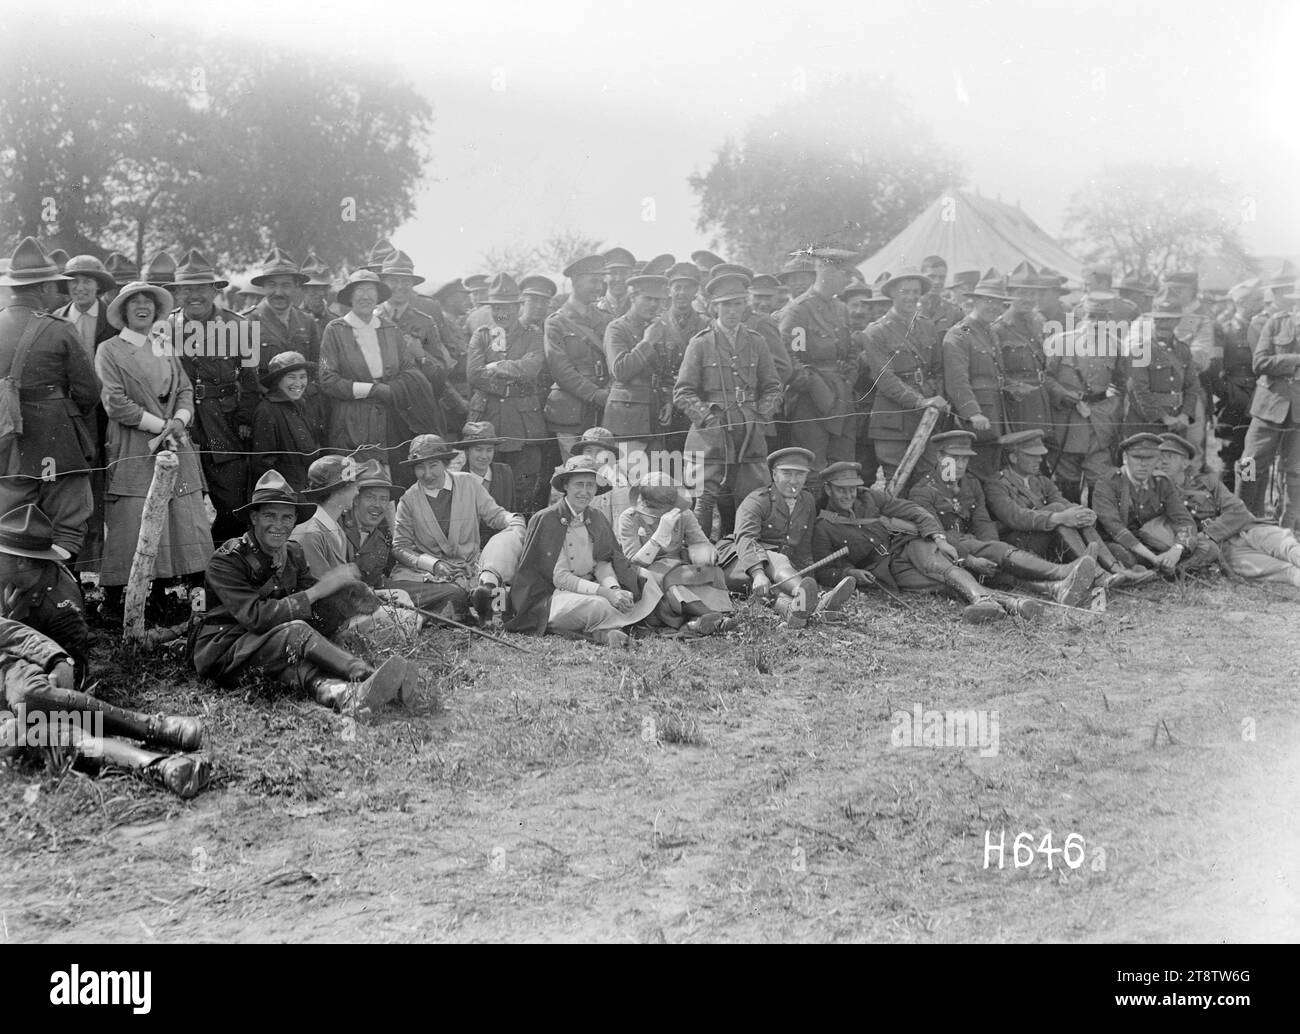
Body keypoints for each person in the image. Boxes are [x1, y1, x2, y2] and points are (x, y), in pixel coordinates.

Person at [192, 471, 412, 715]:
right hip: (227, 653)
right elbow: (256, 618)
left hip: (271, 650)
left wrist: (353, 592)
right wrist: (319, 590)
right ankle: (366, 674)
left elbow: (316, 603)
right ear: (254, 518)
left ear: (295, 519)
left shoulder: (292, 553)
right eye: (269, 516)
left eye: (287, 517)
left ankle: (348, 695)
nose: (279, 525)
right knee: (297, 631)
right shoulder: (227, 560)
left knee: (303, 667)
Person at [95, 281, 211, 622]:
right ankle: (117, 600)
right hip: (134, 444)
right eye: (135, 303)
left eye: (149, 302)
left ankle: (164, 597)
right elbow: (115, 402)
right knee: (131, 516)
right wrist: (159, 426)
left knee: (182, 515)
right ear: (124, 311)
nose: (143, 307)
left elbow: (185, 390)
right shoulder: (110, 350)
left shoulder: (165, 345)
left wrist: (179, 419)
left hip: (174, 441)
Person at [810, 461, 1024, 622]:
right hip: (885, 569)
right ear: (828, 490)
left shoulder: (871, 498)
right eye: (841, 490)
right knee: (940, 585)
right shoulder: (823, 526)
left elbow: (915, 511)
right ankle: (1012, 603)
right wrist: (849, 572)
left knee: (938, 567)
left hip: (907, 544)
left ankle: (983, 600)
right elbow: (824, 570)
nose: (848, 495)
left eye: (852, 489)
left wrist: (938, 538)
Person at [907, 431, 1099, 606]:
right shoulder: (922, 491)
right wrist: (973, 558)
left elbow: (982, 522)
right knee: (996, 551)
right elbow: (938, 536)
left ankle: (1056, 588)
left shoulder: (971, 484)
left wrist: (989, 550)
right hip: (950, 555)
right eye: (953, 458)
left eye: (964, 459)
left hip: (976, 548)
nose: (959, 465)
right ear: (940, 457)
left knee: (997, 560)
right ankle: (1062, 573)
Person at [0, 238, 99, 564]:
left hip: (8, 441)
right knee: (66, 524)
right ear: (43, 286)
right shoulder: (60, 329)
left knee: (10, 523)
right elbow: (88, 392)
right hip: (58, 438)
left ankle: (14, 599)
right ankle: (57, 597)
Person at [674, 273, 784, 537]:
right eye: (726, 305)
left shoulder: (756, 341)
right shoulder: (700, 343)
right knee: (703, 497)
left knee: (753, 496)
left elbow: (773, 386)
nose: (732, 311)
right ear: (715, 307)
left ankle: (743, 553)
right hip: (710, 433)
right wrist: (706, 418)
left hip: (749, 430)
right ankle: (698, 555)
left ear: (745, 305)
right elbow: (683, 391)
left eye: (737, 304)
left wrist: (761, 414)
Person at [506, 456, 659, 646]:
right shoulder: (546, 519)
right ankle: (611, 628)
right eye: (579, 484)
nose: (585, 492)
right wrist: (607, 594)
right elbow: (560, 577)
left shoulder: (596, 517)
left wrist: (615, 589)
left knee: (646, 580)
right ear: (566, 486)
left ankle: (607, 631)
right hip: (554, 596)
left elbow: (603, 561)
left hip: (594, 587)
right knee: (599, 605)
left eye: (591, 486)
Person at [165, 248, 259, 544]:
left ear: (214, 291)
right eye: (187, 290)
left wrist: (244, 419)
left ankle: (225, 564)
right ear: (177, 293)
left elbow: (251, 381)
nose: (195, 296)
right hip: (182, 426)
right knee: (179, 501)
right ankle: (186, 576)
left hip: (224, 427)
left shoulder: (240, 326)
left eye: (201, 289)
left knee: (231, 502)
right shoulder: (164, 328)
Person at [984, 430, 1154, 588]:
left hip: (1049, 541)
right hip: (1019, 547)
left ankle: (1113, 569)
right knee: (1060, 512)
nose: (1039, 460)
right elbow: (1015, 517)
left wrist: (1084, 513)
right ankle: (1098, 573)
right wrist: (1058, 517)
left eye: (1040, 455)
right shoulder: (996, 483)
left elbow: (1063, 502)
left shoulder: (1041, 481)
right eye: (1032, 456)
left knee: (1070, 512)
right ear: (1013, 458)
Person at [319, 269, 441, 484]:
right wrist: (371, 389)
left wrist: (392, 389)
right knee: (355, 483)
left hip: (390, 418)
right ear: (350, 296)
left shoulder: (389, 329)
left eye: (371, 290)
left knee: (390, 483)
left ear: (378, 296)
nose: (365, 296)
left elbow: (409, 369)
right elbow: (328, 379)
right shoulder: (336, 330)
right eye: (359, 290)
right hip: (351, 421)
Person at [388, 434, 526, 622]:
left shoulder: (468, 483)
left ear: (445, 463)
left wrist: (512, 520)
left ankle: (484, 590)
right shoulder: (408, 500)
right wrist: (433, 564)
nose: (427, 474)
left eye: (433, 465)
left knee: (512, 533)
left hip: (469, 568)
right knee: (410, 589)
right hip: (429, 574)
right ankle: (460, 602)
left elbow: (495, 515)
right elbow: (400, 547)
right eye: (420, 467)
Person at [722, 448, 857, 628]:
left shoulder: (807, 501)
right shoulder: (756, 501)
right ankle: (815, 600)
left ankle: (793, 610)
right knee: (777, 562)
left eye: (800, 474)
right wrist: (758, 574)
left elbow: (803, 549)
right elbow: (746, 539)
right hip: (738, 562)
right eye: (787, 473)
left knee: (776, 585)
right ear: (774, 475)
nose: (793, 481)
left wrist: (809, 579)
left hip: (779, 575)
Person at [290, 455, 418, 639]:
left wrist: (377, 594)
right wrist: (374, 601)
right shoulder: (311, 533)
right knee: (405, 619)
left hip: (341, 613)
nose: (357, 492)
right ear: (340, 490)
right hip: (326, 624)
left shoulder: (333, 527)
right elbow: (323, 593)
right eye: (354, 486)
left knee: (404, 605)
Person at [1158, 434, 1300, 587]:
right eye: (1159, 458)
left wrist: (1207, 534)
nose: (1163, 461)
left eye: (1170, 456)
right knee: (1284, 571)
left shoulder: (1208, 482)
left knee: (1287, 546)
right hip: (1225, 550)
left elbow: (1238, 511)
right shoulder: (1157, 496)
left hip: (1249, 529)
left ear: (1185, 463)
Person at [615, 472, 736, 636]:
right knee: (671, 582)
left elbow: (701, 542)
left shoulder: (683, 514)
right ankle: (711, 616)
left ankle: (698, 621)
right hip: (647, 573)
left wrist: (705, 553)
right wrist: (659, 535)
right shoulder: (630, 518)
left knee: (710, 573)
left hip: (679, 567)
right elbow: (633, 562)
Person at [465, 274, 548, 509]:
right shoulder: (482, 335)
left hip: (523, 423)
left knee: (523, 485)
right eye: (497, 307)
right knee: (484, 483)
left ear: (517, 307)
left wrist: (498, 367)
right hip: (488, 416)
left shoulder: (532, 334)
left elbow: (532, 366)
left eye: (508, 307)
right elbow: (474, 374)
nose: (502, 313)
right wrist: (510, 382)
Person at [861, 268, 949, 482]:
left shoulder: (927, 326)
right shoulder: (876, 332)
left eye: (915, 291)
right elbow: (885, 380)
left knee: (928, 480)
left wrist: (935, 396)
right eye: (904, 291)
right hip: (894, 421)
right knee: (898, 482)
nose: (911, 296)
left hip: (926, 416)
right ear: (892, 294)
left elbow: (938, 368)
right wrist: (921, 401)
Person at [779, 248, 860, 477]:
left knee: (844, 463)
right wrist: (810, 383)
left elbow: (852, 351)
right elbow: (789, 357)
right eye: (844, 273)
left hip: (842, 397)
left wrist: (849, 378)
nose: (847, 279)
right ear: (825, 272)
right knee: (812, 464)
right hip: (810, 403)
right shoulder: (800, 311)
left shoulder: (841, 309)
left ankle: (836, 513)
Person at [1043, 290, 1129, 502]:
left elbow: (1122, 383)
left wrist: (1112, 409)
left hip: (1099, 424)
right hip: (1067, 420)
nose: (1097, 322)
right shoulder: (1059, 342)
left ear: (1109, 319)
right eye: (1092, 317)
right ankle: (1069, 528)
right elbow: (1045, 378)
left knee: (1100, 478)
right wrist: (1063, 394)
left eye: (1102, 317)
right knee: (1066, 477)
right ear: (1082, 316)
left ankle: (1098, 527)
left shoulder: (1116, 345)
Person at [1090, 433, 1216, 576]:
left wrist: (1177, 549)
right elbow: (1115, 529)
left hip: (1156, 542)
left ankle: (1164, 570)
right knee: (1121, 556)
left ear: (1157, 460)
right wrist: (1153, 558)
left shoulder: (1162, 482)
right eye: (1137, 458)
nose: (1143, 464)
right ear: (1125, 458)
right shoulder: (1108, 483)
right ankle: (1169, 570)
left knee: (1209, 547)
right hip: (1126, 545)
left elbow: (1184, 521)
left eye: (1150, 458)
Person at [1236, 278, 1300, 530]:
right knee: (1249, 465)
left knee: (1295, 472)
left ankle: (1289, 527)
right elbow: (1259, 363)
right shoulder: (1276, 323)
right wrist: (1295, 359)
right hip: (1269, 408)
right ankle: (1242, 519)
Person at [246, 246, 327, 443]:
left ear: (297, 287)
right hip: (266, 414)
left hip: (301, 410)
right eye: (272, 285)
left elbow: (316, 368)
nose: (279, 292)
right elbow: (244, 379)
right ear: (263, 288)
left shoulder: (307, 322)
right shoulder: (247, 322)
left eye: (286, 285)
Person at [379, 250, 459, 435]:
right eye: (393, 281)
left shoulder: (425, 322)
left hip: (418, 412)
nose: (400, 286)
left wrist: (421, 355)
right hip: (382, 412)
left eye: (405, 281)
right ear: (383, 283)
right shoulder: (370, 319)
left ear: (412, 285)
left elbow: (440, 374)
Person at [942, 269, 1010, 480]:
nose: (995, 307)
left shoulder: (989, 331)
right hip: (976, 418)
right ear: (975, 301)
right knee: (975, 471)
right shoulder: (959, 334)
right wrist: (972, 412)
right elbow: (957, 381)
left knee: (991, 469)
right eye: (988, 300)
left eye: (999, 302)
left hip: (995, 414)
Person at [544, 255, 613, 455]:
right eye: (593, 281)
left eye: (601, 281)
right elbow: (560, 370)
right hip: (570, 412)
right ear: (575, 282)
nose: (599, 287)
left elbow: (615, 359)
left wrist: (608, 390)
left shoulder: (606, 319)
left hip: (602, 409)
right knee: (574, 471)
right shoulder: (556, 322)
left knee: (605, 472)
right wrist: (594, 393)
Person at [1212, 281, 1265, 490]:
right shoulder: (1224, 329)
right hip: (1233, 401)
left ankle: (1244, 500)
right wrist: (1232, 395)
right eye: (1256, 300)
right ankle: (1226, 504)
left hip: (1259, 398)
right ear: (1242, 302)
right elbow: (1214, 372)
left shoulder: (1261, 327)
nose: (1261, 305)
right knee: (1230, 453)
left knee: (1249, 453)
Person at [995, 262, 1054, 444]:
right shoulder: (999, 328)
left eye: (1033, 293)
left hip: (1041, 401)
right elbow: (997, 373)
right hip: (1017, 404)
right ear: (1010, 294)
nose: (1028, 298)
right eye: (1022, 293)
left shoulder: (1040, 323)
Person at [1126, 293, 1199, 439]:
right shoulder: (1141, 350)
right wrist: (1164, 417)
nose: (1163, 324)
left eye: (1168, 320)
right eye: (1158, 319)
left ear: (1177, 321)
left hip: (1178, 421)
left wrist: (1185, 415)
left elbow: (1192, 386)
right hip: (1148, 422)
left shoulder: (1183, 350)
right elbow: (1138, 390)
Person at [251, 350, 323, 490]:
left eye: (303, 377)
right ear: (277, 380)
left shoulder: (304, 405)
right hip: (286, 491)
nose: (298, 383)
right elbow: (264, 464)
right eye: (291, 377)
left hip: (309, 486)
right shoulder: (267, 410)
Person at [450, 421, 515, 543]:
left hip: (502, 541)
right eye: (478, 450)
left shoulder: (504, 472)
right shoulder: (458, 481)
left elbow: (511, 508)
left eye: (489, 450)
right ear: (467, 451)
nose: (484, 456)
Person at [918, 255, 965, 338]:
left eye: (942, 277)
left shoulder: (954, 311)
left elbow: (966, 335)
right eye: (931, 276)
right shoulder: (908, 308)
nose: (937, 281)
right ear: (921, 277)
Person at [596, 247, 636, 318]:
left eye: (624, 272)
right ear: (604, 277)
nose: (618, 278)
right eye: (613, 273)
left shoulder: (638, 308)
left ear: (631, 276)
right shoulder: (594, 309)